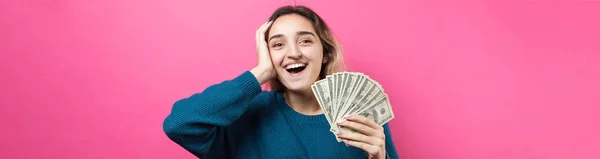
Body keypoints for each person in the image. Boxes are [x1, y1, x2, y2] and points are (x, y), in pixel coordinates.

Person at [163, 5, 399, 159]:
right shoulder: (248, 115)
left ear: (325, 52)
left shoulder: (362, 115)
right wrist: (261, 72)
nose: (293, 52)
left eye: (305, 41)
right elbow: (179, 124)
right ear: (267, 55)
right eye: (278, 44)